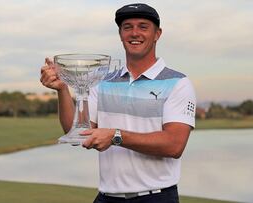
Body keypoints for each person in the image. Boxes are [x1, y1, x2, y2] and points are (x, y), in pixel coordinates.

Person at [40, 3, 196, 203]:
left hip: (156, 197)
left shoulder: (178, 83)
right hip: (107, 197)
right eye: (127, 27)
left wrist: (116, 136)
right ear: (121, 34)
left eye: (143, 26)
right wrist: (62, 89)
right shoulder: (102, 80)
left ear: (157, 34)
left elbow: (174, 145)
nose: (134, 33)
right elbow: (77, 131)